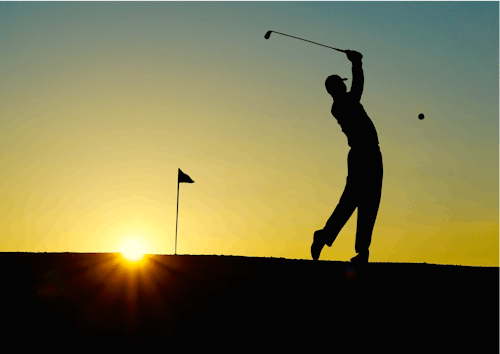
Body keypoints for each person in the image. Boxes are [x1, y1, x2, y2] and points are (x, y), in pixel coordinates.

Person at [311, 50, 383, 265]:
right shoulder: (343, 104)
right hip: (363, 155)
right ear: (336, 88)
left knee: (369, 202)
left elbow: (356, 88)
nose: (344, 86)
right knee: (353, 200)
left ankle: (361, 251)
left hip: (370, 154)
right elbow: (358, 86)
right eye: (341, 84)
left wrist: (357, 63)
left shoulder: (343, 103)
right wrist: (357, 63)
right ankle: (326, 236)